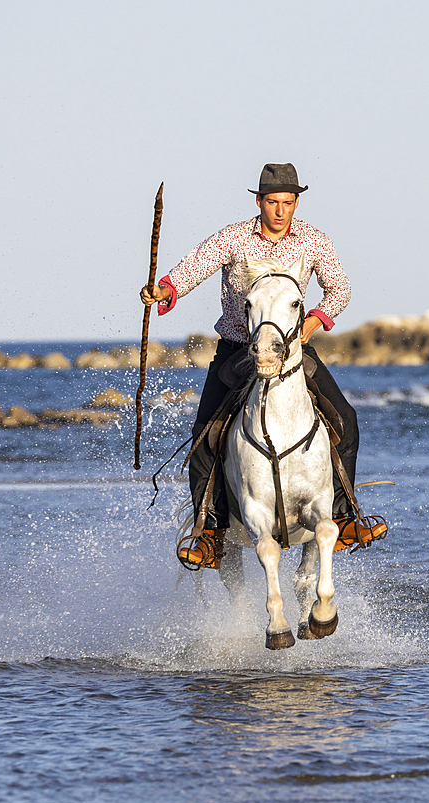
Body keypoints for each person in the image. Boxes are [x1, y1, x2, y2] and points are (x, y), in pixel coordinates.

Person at [140, 162, 373, 568]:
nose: (280, 211)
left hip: (292, 350)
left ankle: (344, 515)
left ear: (296, 201)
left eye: (288, 202)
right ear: (259, 201)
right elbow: (196, 264)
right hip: (237, 350)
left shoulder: (314, 242)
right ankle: (208, 533)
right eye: (272, 202)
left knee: (346, 421)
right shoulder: (234, 238)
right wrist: (164, 288)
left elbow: (340, 288)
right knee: (203, 437)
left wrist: (315, 321)